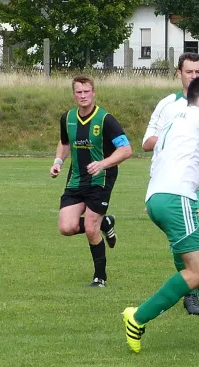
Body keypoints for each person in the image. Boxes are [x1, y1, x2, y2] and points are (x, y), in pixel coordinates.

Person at [123, 75, 199, 354]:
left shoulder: (175, 121)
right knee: (198, 271)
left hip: (159, 197)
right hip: (176, 200)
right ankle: (137, 317)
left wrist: (160, 195)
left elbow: (163, 159)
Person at [50, 75, 132, 287]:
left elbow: (126, 150)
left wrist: (103, 164)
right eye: (79, 92)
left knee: (90, 229)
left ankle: (100, 277)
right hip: (76, 178)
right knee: (66, 227)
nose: (83, 95)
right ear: (74, 94)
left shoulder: (106, 120)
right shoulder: (67, 118)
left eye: (87, 91)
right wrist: (58, 161)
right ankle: (106, 223)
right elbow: (64, 142)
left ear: (94, 93)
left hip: (101, 179)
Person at [142, 52, 199, 315]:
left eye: (198, 72)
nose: (194, 76)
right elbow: (147, 142)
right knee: (186, 239)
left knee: (198, 228)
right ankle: (191, 291)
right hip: (171, 182)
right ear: (179, 73)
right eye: (189, 72)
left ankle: (197, 296)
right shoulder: (167, 105)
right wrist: (177, 141)